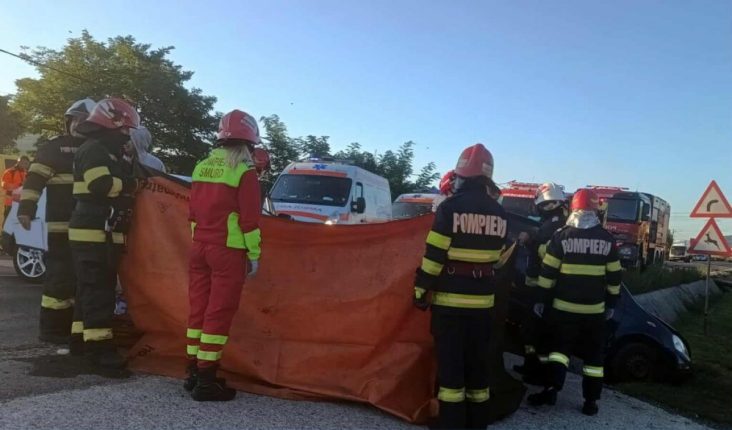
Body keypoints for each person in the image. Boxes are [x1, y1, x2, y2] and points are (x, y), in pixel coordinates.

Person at [414, 143, 509, 429]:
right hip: (484, 305)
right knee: (478, 370)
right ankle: (477, 423)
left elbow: (434, 257)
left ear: (460, 176)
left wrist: (421, 289)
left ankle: (451, 423)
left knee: (452, 373)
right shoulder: (499, 213)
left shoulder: (450, 209)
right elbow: (497, 259)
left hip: (450, 304)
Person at [185, 109, 262, 402]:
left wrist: (200, 239)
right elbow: (250, 220)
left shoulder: (201, 167)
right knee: (219, 312)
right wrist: (254, 253)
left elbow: (193, 212)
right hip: (227, 250)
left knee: (198, 309)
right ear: (250, 143)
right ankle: (206, 380)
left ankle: (193, 372)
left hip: (199, 246)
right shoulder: (244, 171)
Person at [528, 189, 622, 416]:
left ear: (573, 208)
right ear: (596, 210)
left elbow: (548, 273)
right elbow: (615, 277)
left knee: (558, 352)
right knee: (594, 360)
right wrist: (611, 304)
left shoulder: (561, 236)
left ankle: (551, 391)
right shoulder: (607, 239)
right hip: (595, 312)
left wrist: (541, 299)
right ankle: (591, 402)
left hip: (563, 309)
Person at [68, 98, 139, 369]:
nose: (127, 135)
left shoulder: (107, 151)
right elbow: (101, 185)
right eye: (125, 129)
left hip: (99, 230)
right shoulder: (94, 149)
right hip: (92, 231)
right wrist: (132, 184)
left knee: (88, 289)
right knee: (99, 292)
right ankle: (99, 351)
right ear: (111, 124)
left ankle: (79, 340)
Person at [18, 98, 96, 344]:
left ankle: (74, 330)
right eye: (76, 120)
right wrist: (26, 209)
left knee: (83, 281)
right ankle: (52, 330)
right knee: (59, 279)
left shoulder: (99, 149)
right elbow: (34, 180)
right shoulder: (54, 148)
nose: (79, 124)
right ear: (68, 122)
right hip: (61, 227)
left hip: (91, 228)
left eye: (85, 120)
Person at [515, 182, 568, 381]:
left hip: (543, 289)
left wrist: (530, 240)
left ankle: (538, 373)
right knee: (531, 331)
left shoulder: (556, 225)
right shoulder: (553, 223)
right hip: (538, 287)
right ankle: (531, 366)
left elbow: (547, 253)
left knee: (538, 333)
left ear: (547, 204)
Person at [2, 156, 30, 221]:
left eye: (27, 164)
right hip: (10, 203)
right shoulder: (9, 172)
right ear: (18, 162)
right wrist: (19, 184)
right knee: (7, 222)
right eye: (24, 163)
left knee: (18, 222)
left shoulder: (26, 173)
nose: (25, 165)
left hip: (21, 203)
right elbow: (4, 185)